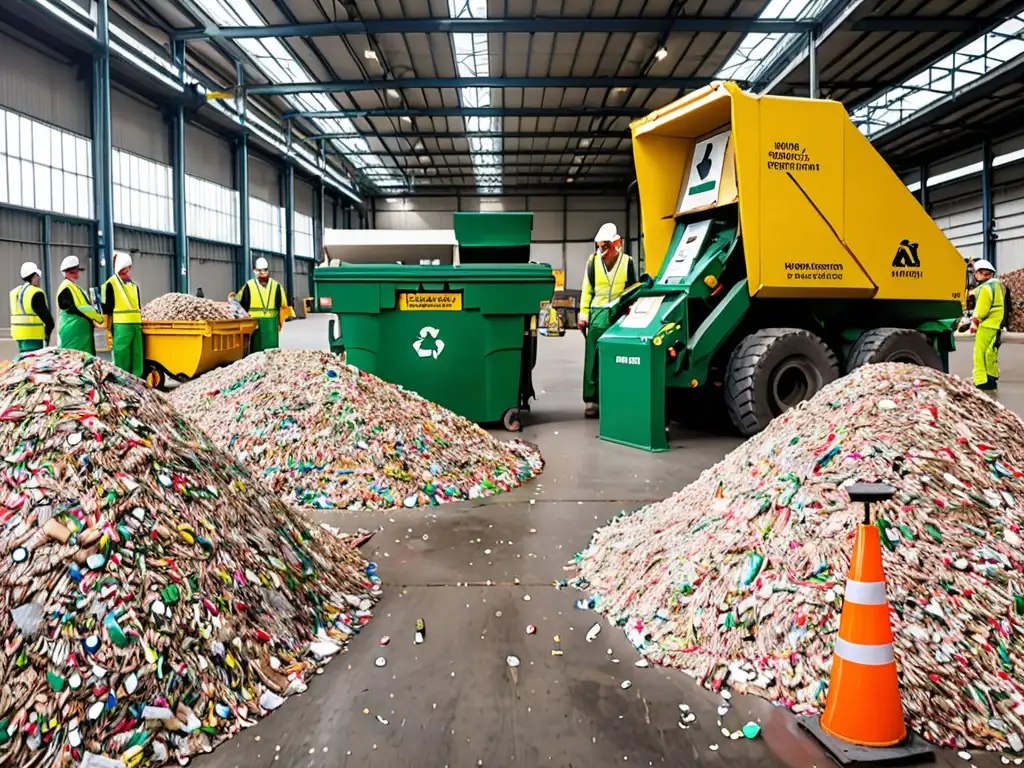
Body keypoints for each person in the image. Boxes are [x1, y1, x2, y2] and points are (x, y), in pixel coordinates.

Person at [578, 223, 637, 418]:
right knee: (593, 359)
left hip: (619, 315)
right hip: (597, 314)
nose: (601, 250)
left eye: (605, 246)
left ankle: (614, 397)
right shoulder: (592, 262)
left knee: (617, 358)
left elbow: (632, 290)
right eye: (599, 246)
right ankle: (591, 400)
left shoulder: (627, 262)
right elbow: (587, 290)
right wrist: (583, 314)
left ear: (615, 243)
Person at [103, 251, 143, 377]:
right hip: (122, 326)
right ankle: (122, 379)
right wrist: (107, 327)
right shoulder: (110, 284)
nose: (129, 270)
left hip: (136, 325)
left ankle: (136, 379)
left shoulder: (133, 285)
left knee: (137, 355)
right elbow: (107, 308)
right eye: (127, 267)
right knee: (122, 354)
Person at [969, 259, 1004, 396]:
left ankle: (981, 381)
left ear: (980, 274)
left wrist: (974, 322)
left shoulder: (985, 289)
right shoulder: (998, 286)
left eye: (975, 273)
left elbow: (982, 311)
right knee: (991, 353)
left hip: (987, 325)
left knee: (980, 354)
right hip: (996, 324)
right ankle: (991, 378)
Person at [237, 257, 287, 352]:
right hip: (270, 324)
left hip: (256, 324)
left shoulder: (249, 285)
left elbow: (240, 304)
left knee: (257, 352)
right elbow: (284, 306)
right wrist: (280, 322)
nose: (263, 273)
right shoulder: (276, 286)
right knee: (271, 350)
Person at [57, 255, 104, 355]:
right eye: (72, 272)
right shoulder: (66, 287)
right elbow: (81, 308)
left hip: (79, 332)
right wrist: (99, 318)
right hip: (74, 332)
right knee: (75, 360)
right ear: (65, 273)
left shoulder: (73, 287)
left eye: (77, 271)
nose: (76, 274)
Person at [9, 262, 54, 355]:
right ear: (34, 276)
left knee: (24, 364)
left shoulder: (15, 292)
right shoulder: (35, 293)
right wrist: (48, 333)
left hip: (20, 336)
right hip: (34, 336)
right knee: (34, 364)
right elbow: (47, 319)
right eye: (37, 276)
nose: (39, 279)